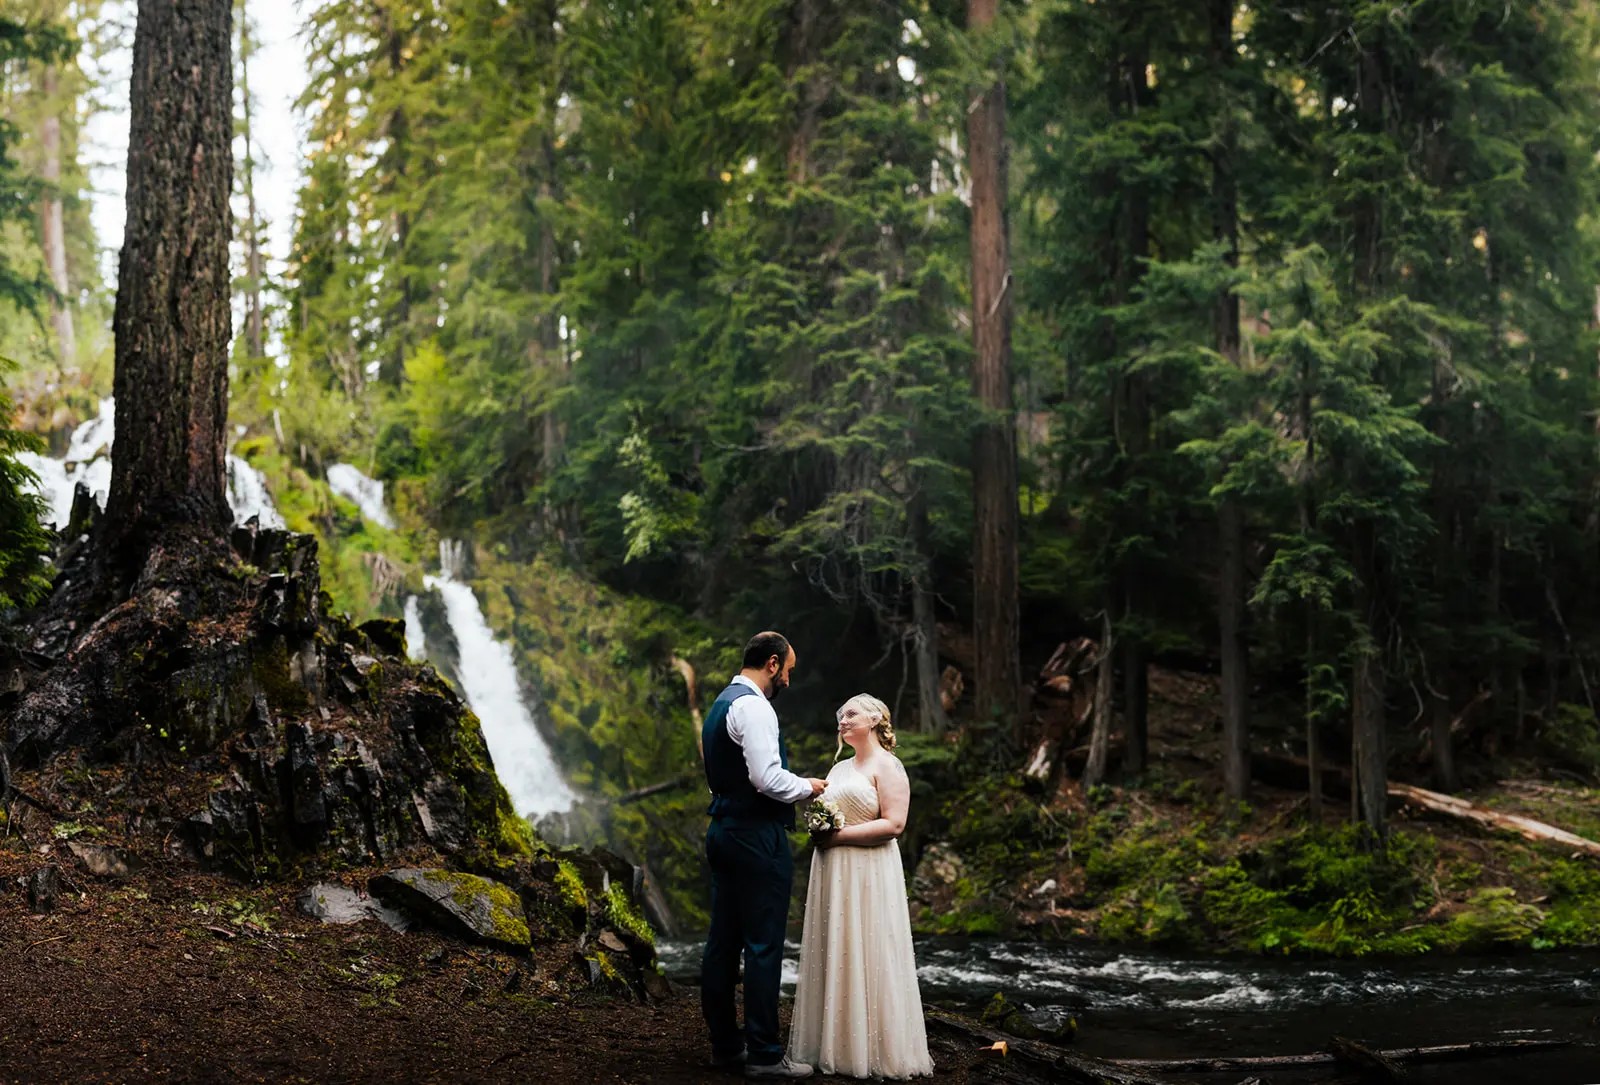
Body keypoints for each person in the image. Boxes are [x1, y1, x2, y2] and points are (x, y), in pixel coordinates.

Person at [701, 631, 828, 1079]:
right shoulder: (755, 707)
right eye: (788, 670)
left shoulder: (721, 704)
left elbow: (727, 774)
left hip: (724, 831)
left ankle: (725, 1045)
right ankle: (764, 1054)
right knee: (761, 945)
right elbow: (767, 779)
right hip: (756, 837)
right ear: (772, 664)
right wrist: (808, 787)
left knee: (722, 942)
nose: (789, 681)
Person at [787, 694, 933, 1079]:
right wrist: (818, 830)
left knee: (870, 947)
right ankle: (831, 1044)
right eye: (840, 715)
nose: (842, 720)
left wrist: (837, 837)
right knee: (835, 946)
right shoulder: (837, 770)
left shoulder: (889, 767)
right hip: (833, 873)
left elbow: (895, 825)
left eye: (850, 714)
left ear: (875, 719)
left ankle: (876, 1050)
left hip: (869, 872)